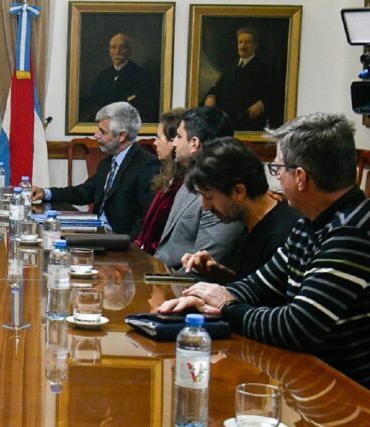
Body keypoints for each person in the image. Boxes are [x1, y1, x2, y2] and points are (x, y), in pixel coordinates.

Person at [159, 113, 370, 388]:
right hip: (310, 380)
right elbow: (258, 284)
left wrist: (225, 307)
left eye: (278, 168)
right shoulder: (310, 224)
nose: (277, 177)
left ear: (300, 177)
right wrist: (205, 298)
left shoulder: (350, 231)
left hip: (346, 392)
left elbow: (298, 326)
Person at [31, 102, 161, 239]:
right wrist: (46, 193)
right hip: (99, 233)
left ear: (122, 136)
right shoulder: (107, 162)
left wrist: (130, 246)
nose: (96, 135)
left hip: (120, 241)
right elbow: (84, 193)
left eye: (102, 132)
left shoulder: (147, 165)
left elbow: (147, 217)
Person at [178, 137, 300, 283]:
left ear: (238, 191)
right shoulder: (250, 224)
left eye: (209, 197)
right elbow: (253, 284)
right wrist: (216, 272)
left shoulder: (283, 237)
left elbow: (266, 296)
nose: (205, 207)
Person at [153, 106, 245, 271]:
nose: (174, 143)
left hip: (181, 282)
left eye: (179, 137)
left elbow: (203, 268)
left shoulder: (221, 193)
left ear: (194, 143)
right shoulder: (188, 180)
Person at [204, 27, 280, 131]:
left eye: (247, 42)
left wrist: (262, 105)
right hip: (229, 124)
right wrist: (211, 96)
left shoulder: (265, 69)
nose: (243, 46)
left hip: (252, 126)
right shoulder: (230, 69)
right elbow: (218, 87)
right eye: (240, 42)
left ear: (255, 45)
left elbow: (275, 95)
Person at [134, 109, 185, 253]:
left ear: (173, 141)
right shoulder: (167, 175)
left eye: (159, 138)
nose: (155, 143)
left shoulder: (182, 184)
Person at [80, 33, 158, 123]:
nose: (117, 52)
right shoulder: (103, 75)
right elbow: (92, 103)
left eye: (122, 47)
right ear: (109, 51)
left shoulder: (141, 76)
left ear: (130, 51)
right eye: (113, 47)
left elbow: (146, 110)